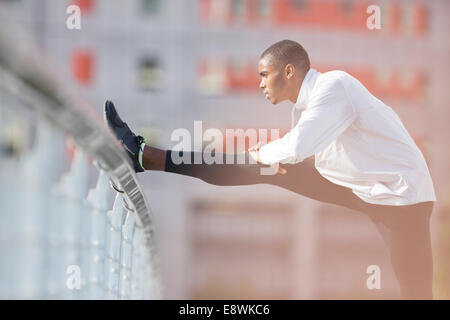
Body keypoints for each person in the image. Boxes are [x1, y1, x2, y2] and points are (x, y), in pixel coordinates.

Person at [104, 40, 436, 299]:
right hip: (364, 189)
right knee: (257, 166)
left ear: (289, 71)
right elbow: (294, 153)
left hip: (402, 199)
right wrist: (262, 159)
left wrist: (263, 154)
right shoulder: (308, 107)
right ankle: (144, 156)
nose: (261, 83)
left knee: (418, 295)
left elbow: (295, 148)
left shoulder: (334, 87)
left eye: (264, 74)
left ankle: (145, 156)